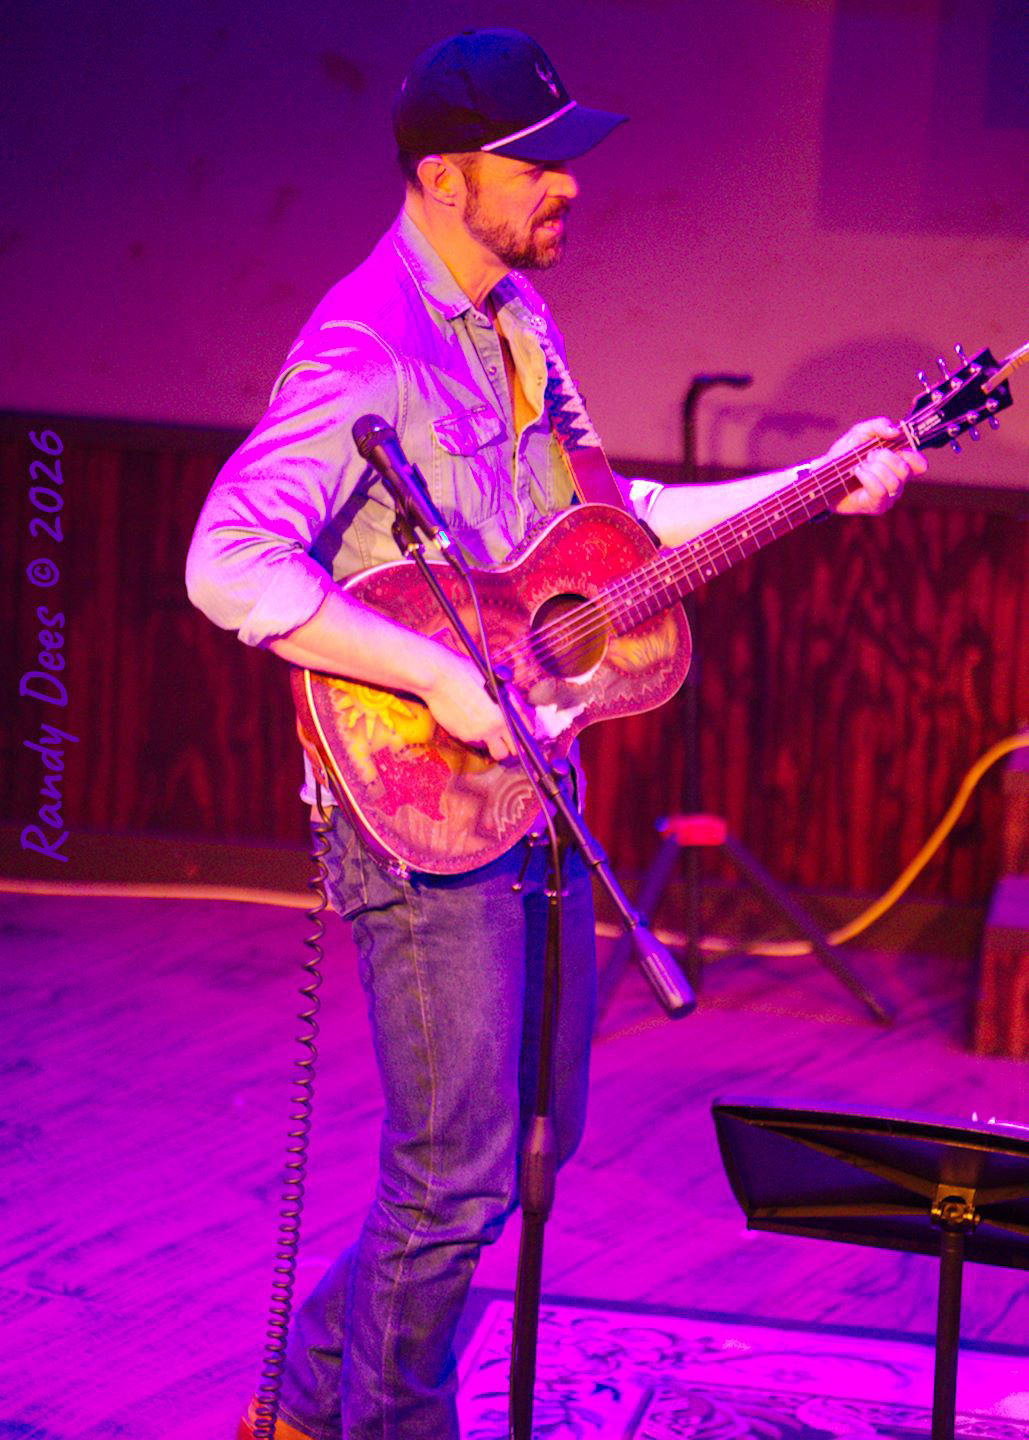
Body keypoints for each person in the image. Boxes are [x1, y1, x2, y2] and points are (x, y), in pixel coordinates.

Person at [185, 28, 927, 1440]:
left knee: (532, 1140)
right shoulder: (365, 345)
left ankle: (302, 1393)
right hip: (415, 794)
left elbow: (613, 528)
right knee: (453, 1168)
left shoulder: (521, 322)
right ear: (443, 176)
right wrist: (434, 674)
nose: (570, 186)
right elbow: (228, 562)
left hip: (530, 787)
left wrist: (813, 482)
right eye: (540, 162)